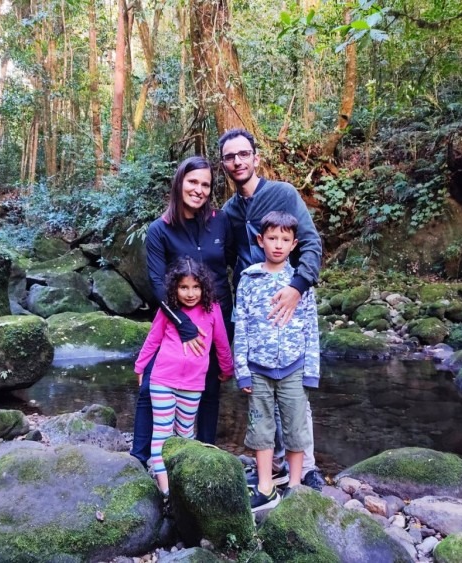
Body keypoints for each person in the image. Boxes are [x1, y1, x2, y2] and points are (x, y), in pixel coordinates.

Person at [219, 128, 326, 491]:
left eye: (243, 154)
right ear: (224, 165)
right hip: (253, 307)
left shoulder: (282, 194)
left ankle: (306, 467)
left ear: (255, 157)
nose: (238, 161)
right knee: (262, 392)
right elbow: (229, 262)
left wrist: (298, 287)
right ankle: (276, 466)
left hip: (290, 299)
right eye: (230, 157)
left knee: (294, 387)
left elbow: (310, 242)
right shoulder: (231, 212)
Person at [130, 156, 236, 468]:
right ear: (179, 183)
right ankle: (139, 459)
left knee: (210, 389)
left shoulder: (220, 221)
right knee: (150, 386)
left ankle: (200, 459)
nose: (199, 190)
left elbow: (232, 262)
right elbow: (156, 283)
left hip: (217, 319)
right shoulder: (159, 230)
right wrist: (184, 325)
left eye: (205, 184)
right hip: (174, 323)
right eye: (193, 182)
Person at [234, 211, 320, 511]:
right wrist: (242, 371)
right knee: (261, 427)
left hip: (294, 367)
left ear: (295, 243)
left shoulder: (300, 283)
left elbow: (311, 327)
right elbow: (241, 326)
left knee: (296, 427)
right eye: (272, 238)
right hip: (258, 368)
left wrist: (311, 371)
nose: (278, 245)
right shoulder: (249, 279)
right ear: (260, 240)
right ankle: (265, 486)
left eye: (285, 239)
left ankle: (295, 486)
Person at [135, 258, 234, 495]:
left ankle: (180, 478)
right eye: (183, 287)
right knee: (162, 432)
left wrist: (226, 369)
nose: (190, 293)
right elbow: (153, 339)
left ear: (204, 288)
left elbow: (221, 343)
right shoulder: (169, 310)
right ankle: (166, 488)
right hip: (162, 380)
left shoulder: (212, 310)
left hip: (193, 384)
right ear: (174, 288)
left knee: (186, 434)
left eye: (196, 287)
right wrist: (140, 367)